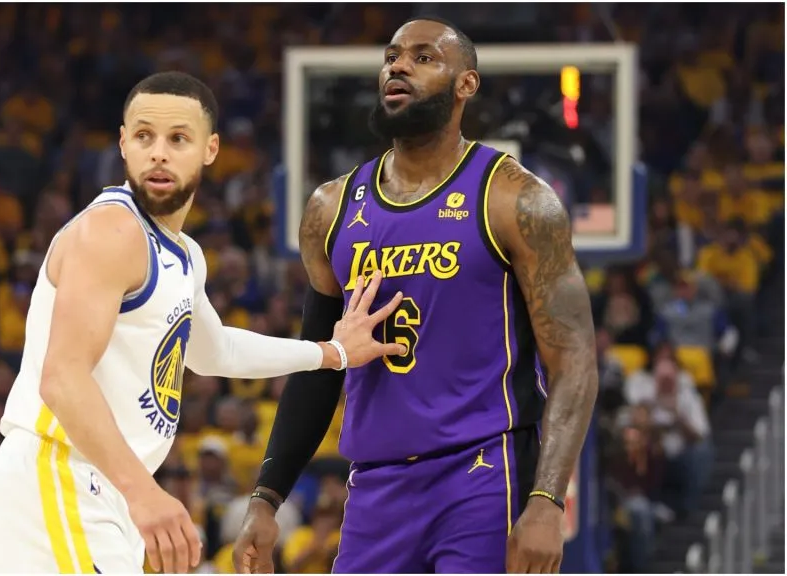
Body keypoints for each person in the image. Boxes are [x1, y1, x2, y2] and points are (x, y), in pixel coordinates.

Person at [0, 71, 405, 574]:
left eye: (178, 139)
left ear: (210, 148)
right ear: (123, 144)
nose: (158, 152)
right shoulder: (112, 230)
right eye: (143, 136)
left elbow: (214, 351)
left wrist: (332, 352)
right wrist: (145, 493)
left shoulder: (183, 253)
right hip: (58, 476)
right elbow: (62, 379)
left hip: (102, 487)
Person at [234, 18, 599, 574]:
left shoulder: (515, 198)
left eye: (424, 57)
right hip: (375, 485)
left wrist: (547, 501)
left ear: (466, 85)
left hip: (482, 473)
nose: (398, 66)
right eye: (392, 56)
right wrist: (266, 496)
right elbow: (319, 364)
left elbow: (574, 362)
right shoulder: (331, 209)